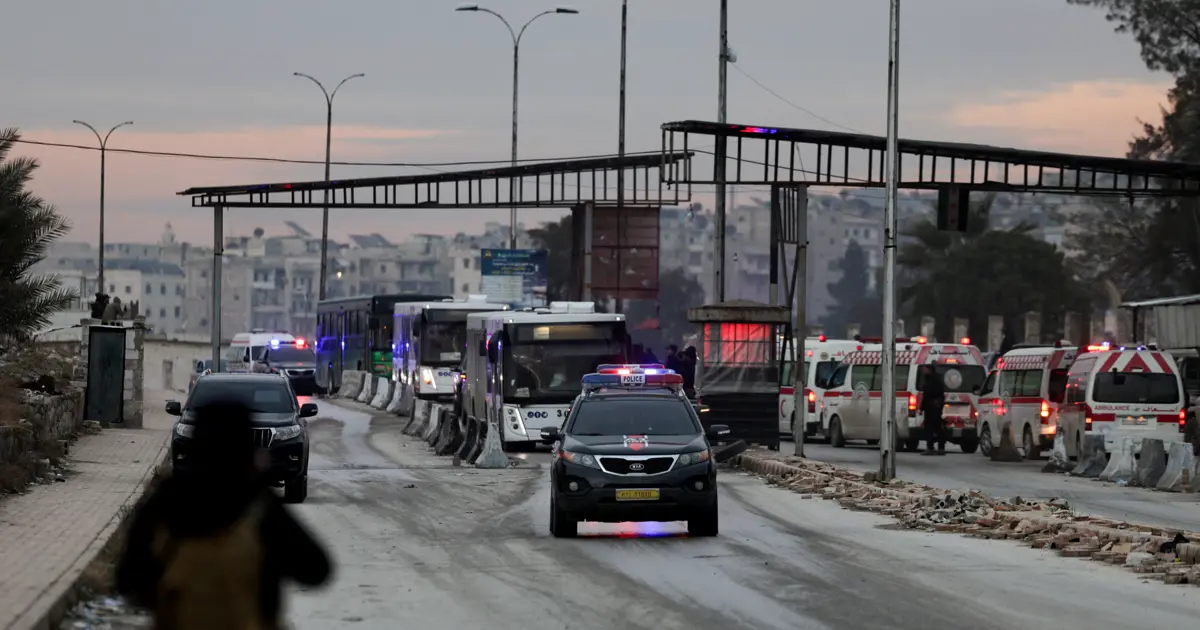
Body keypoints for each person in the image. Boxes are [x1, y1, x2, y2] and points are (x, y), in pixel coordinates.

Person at [116, 403, 332, 629]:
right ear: (247, 449)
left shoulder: (166, 501)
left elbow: (127, 581)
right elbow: (316, 570)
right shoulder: (258, 505)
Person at [919, 365, 947, 456]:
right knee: (929, 429)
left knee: (937, 428)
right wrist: (922, 408)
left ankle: (940, 448)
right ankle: (930, 447)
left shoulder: (935, 380)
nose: (924, 371)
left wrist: (937, 405)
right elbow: (925, 396)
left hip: (934, 408)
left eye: (926, 369)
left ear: (930, 370)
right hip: (929, 408)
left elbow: (938, 395)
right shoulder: (928, 379)